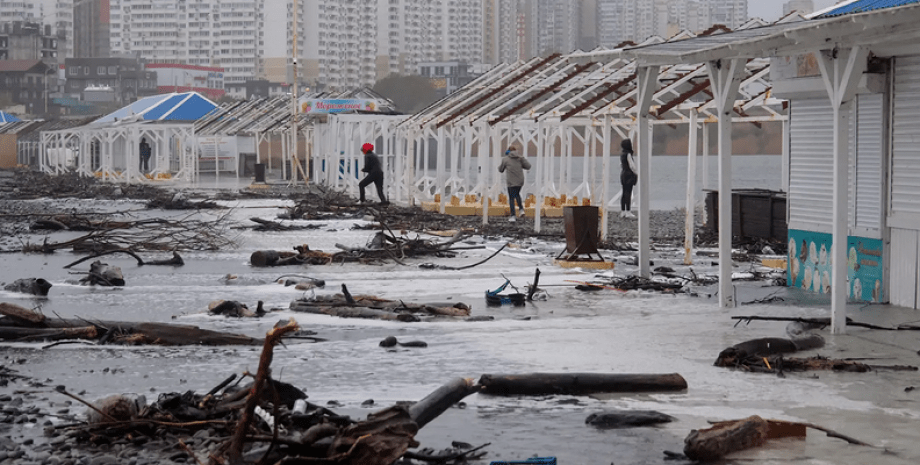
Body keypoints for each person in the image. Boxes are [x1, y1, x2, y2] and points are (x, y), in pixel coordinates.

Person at [498, 144, 531, 222]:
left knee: (511, 198)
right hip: (520, 181)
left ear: (508, 151)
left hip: (511, 182)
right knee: (516, 194)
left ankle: (513, 215)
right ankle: (521, 210)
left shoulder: (505, 159)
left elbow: (500, 169)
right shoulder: (520, 158)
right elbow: (528, 166)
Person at [619, 138, 638, 218]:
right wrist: (636, 173)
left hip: (623, 174)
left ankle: (623, 211)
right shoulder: (628, 154)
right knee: (628, 193)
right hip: (629, 174)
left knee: (624, 193)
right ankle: (628, 211)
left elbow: (621, 164)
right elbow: (632, 166)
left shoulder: (622, 154)